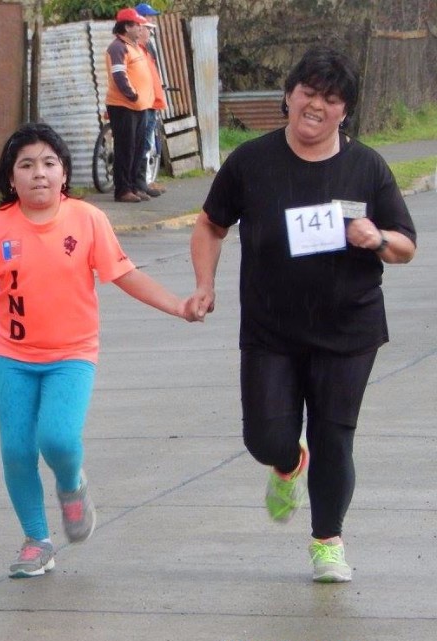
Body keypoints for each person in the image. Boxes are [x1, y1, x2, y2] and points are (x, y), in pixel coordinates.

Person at [0, 122, 199, 578]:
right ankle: (36, 540)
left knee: (59, 439)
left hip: (72, 356)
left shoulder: (88, 220)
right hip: (14, 358)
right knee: (17, 451)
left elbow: (125, 274)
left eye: (49, 163)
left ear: (64, 174)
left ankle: (72, 485)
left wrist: (179, 305)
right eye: (26, 165)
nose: (39, 173)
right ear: (11, 177)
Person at [188, 46, 417, 583]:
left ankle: (327, 540)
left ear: (345, 111)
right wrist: (204, 284)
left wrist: (378, 237)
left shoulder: (366, 166)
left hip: (348, 329)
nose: (317, 105)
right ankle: (288, 464)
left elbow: (406, 245)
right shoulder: (252, 161)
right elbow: (210, 225)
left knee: (335, 435)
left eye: (331, 99)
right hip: (271, 329)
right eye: (308, 93)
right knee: (265, 437)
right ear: (288, 96)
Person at [104, 7, 153, 203]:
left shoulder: (133, 46)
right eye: (136, 24)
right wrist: (132, 95)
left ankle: (133, 186)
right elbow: (119, 75)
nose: (140, 27)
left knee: (138, 148)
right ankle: (123, 189)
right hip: (124, 106)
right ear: (126, 26)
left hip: (139, 107)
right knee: (126, 148)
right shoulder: (118, 47)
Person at [134, 2, 166, 197]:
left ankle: (144, 181)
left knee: (146, 144)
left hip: (152, 100)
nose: (151, 22)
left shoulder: (148, 47)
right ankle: (139, 183)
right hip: (143, 102)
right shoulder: (136, 48)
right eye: (148, 19)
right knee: (142, 144)